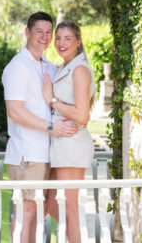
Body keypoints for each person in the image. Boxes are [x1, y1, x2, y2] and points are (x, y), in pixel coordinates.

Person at [3, 11, 78, 243]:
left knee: (37, 212)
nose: (45, 38)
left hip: (48, 154)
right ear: (27, 32)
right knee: (26, 211)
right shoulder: (17, 67)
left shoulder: (49, 67)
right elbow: (14, 111)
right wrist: (49, 127)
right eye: (39, 32)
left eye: (49, 33)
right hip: (27, 153)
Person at [42, 21, 95, 243]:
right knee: (53, 205)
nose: (61, 43)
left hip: (72, 144)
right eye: (58, 38)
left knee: (69, 207)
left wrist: (52, 100)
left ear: (78, 42)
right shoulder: (66, 67)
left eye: (68, 39)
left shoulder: (80, 69)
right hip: (61, 144)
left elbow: (82, 115)